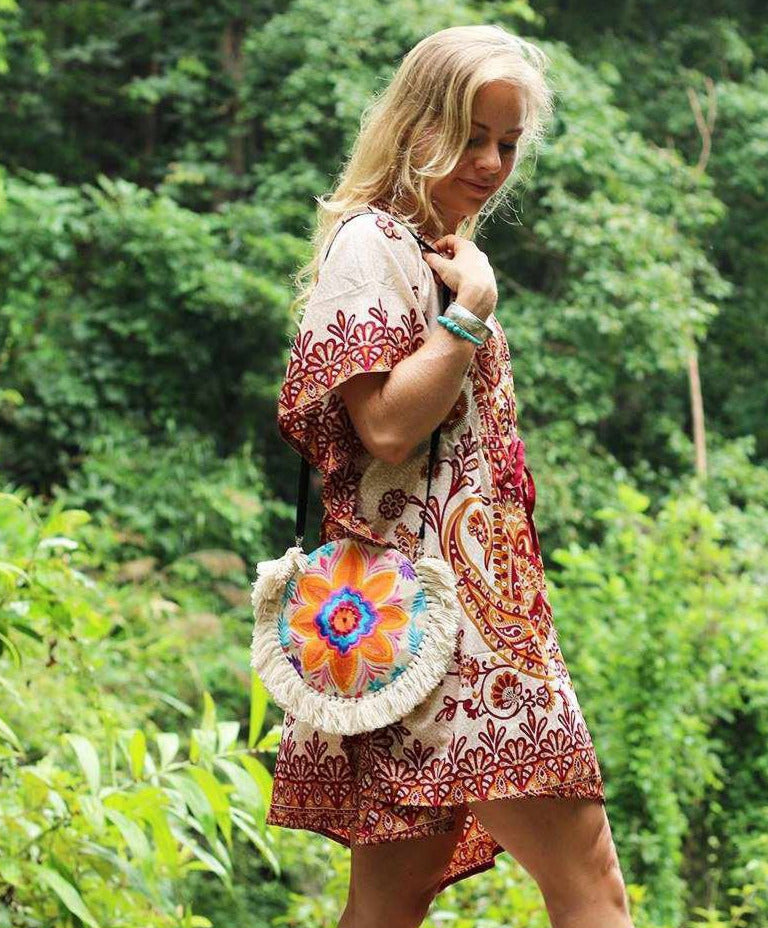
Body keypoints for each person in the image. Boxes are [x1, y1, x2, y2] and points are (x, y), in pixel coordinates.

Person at [269, 23, 635, 928]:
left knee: (389, 904)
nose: (491, 163)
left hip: (426, 626)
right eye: (471, 137)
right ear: (415, 124)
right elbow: (388, 429)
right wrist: (471, 310)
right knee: (590, 883)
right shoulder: (374, 243)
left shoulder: (430, 244)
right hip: (457, 632)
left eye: (507, 142)